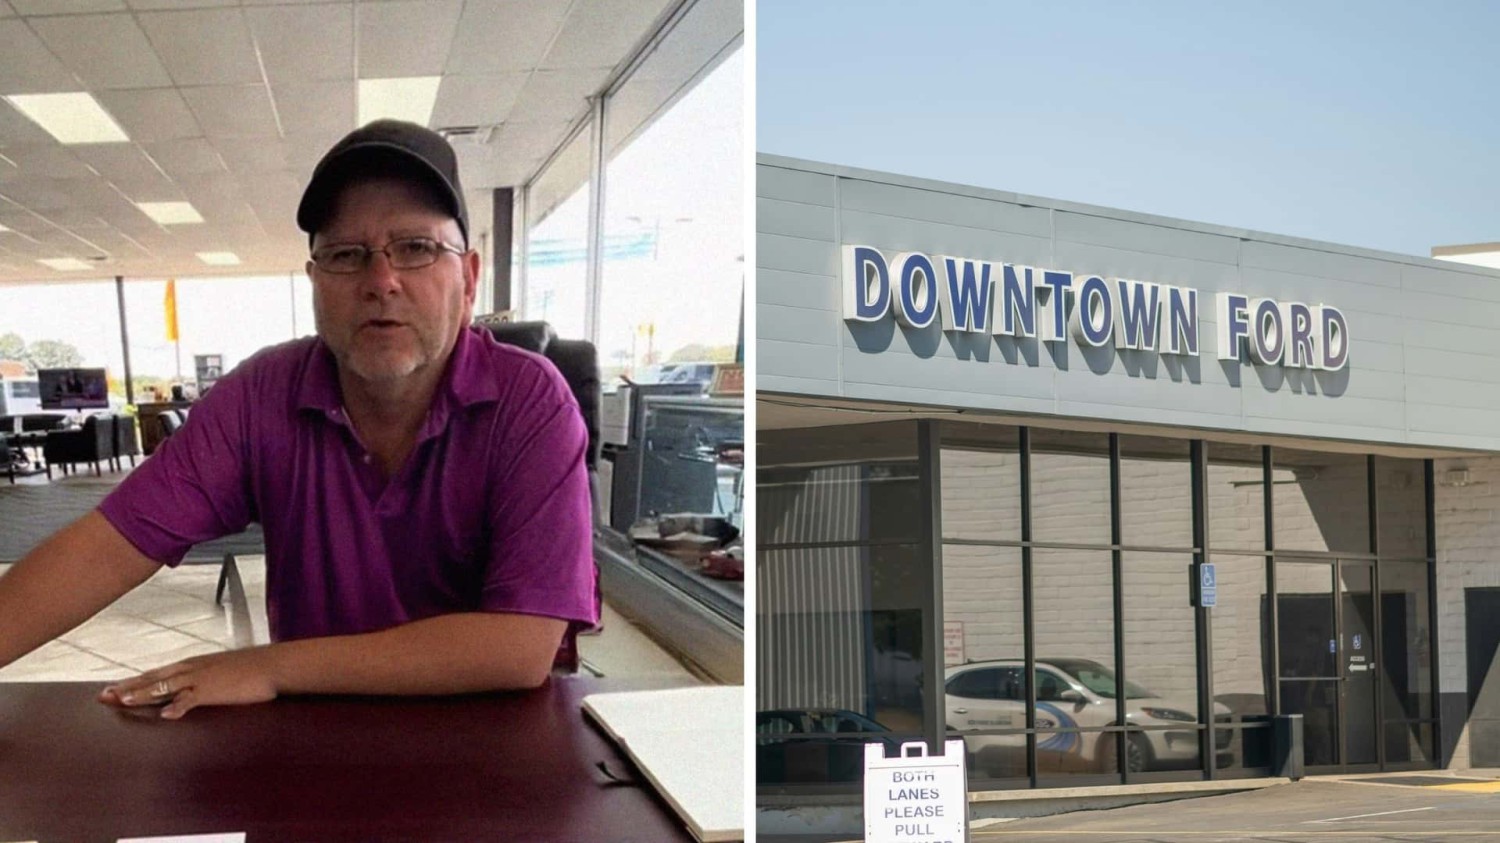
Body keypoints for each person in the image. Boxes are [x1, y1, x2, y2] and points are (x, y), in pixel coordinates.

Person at [0, 120, 597, 719]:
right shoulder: (262, 396)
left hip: (492, 739)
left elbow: (519, 647)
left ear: (467, 280)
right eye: (346, 255)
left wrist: (268, 666)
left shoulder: (530, 400)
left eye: (416, 248)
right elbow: (109, 546)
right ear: (314, 282)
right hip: (316, 735)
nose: (381, 282)